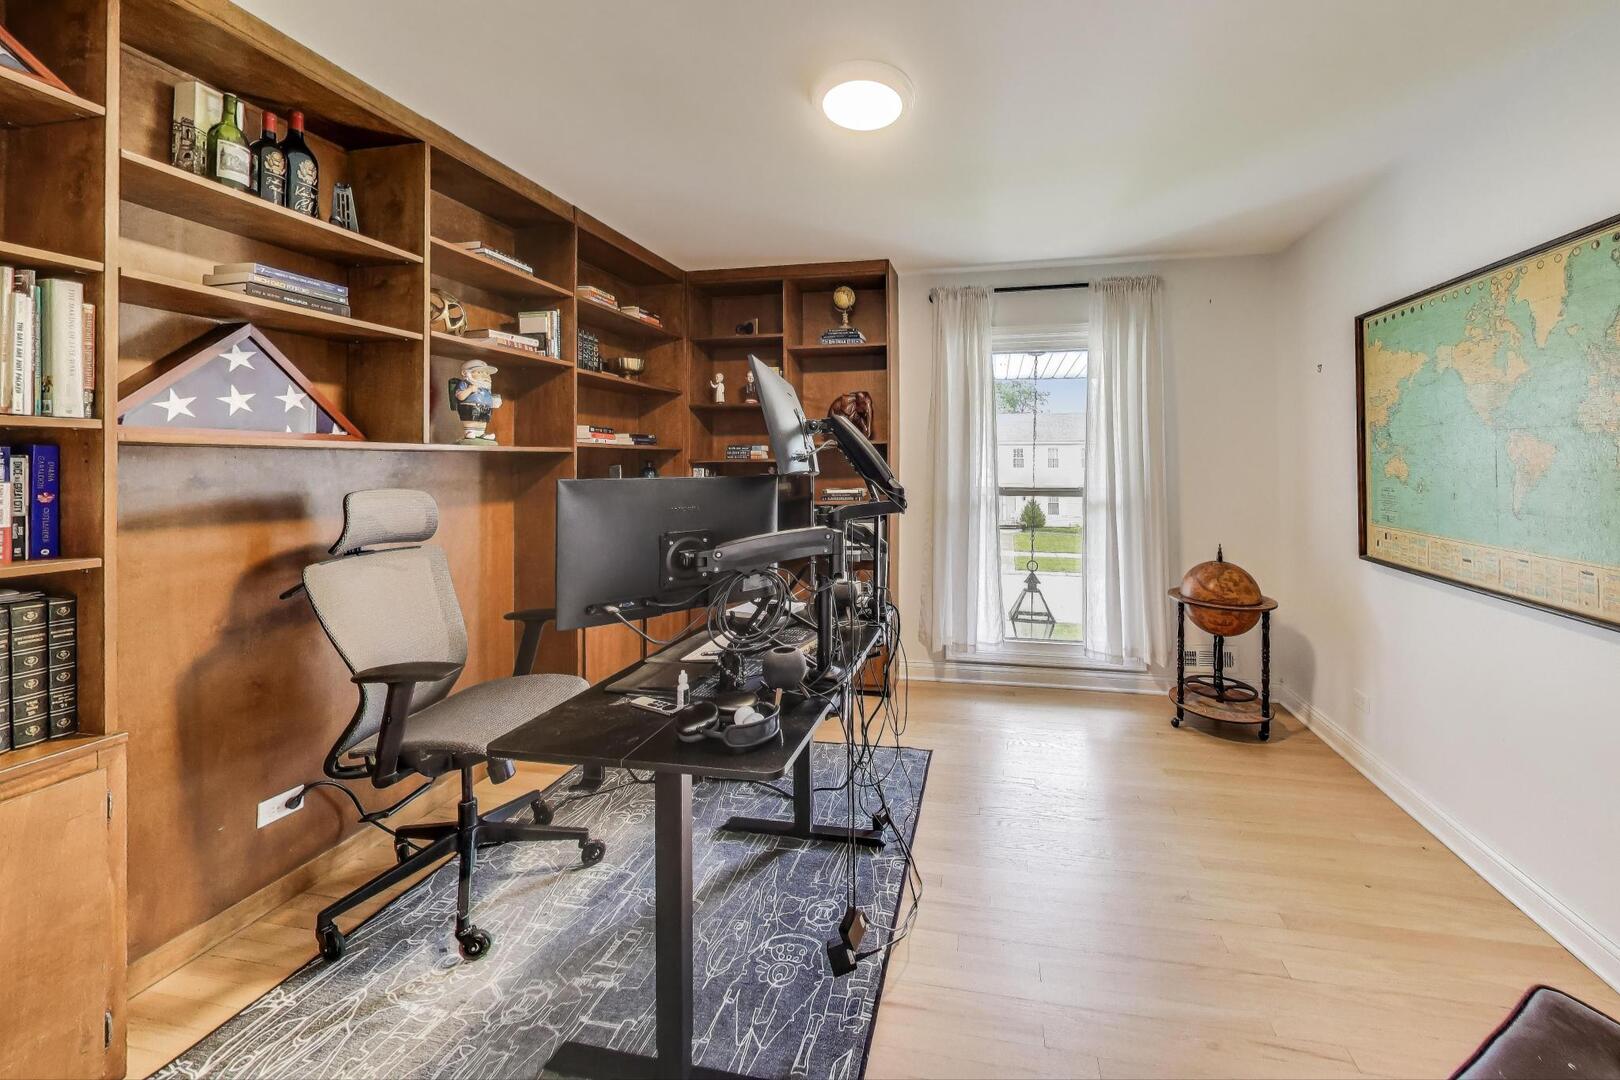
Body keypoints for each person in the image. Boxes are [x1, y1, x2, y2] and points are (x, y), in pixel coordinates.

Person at [449, 359, 503, 443]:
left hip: (485, 408)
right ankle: (469, 431)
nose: (485, 376)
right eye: (479, 372)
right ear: (465, 373)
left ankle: (481, 433)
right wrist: (470, 389)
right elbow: (460, 396)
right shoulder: (465, 384)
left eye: (486, 373)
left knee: (483, 421)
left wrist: (494, 401)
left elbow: (489, 398)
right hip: (470, 407)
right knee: (471, 419)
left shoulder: (486, 388)